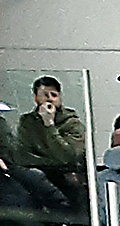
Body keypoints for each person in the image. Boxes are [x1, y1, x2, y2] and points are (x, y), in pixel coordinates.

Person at [15, 75, 86, 208]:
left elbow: (67, 157)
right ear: (35, 97)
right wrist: (52, 161)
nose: (49, 99)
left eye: (53, 95)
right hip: (37, 178)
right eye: (44, 94)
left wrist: (49, 124)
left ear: (60, 97)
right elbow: (23, 156)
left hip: (65, 180)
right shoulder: (27, 122)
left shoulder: (72, 123)